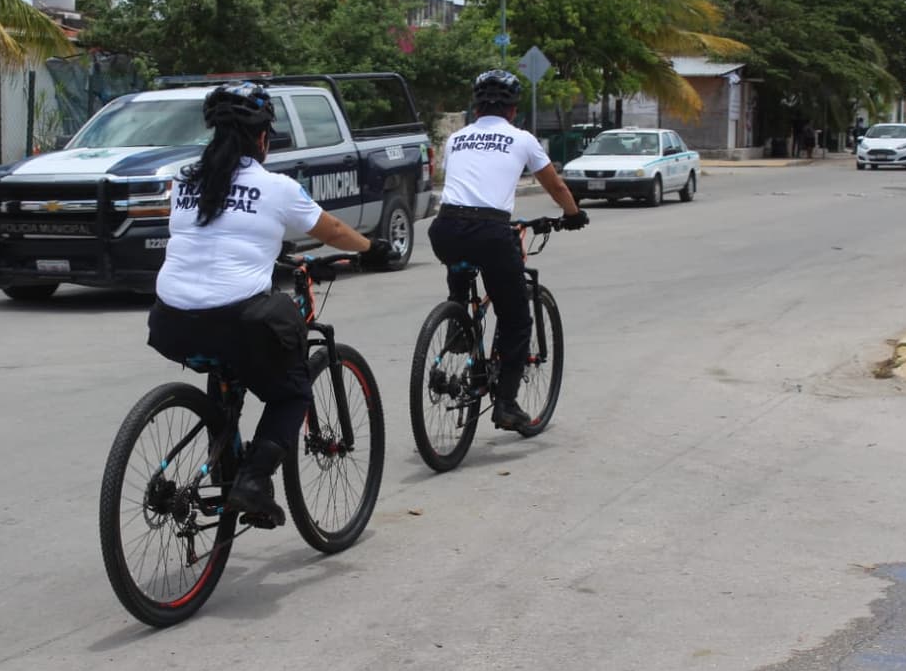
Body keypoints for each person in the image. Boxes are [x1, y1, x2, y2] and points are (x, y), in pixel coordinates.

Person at [147, 81, 393, 526]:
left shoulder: (183, 179)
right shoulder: (275, 187)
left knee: (227, 358)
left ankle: (224, 458)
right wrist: (371, 248)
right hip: (234, 320)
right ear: (263, 137)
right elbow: (332, 229)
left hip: (169, 322)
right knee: (292, 390)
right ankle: (254, 481)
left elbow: (213, 237)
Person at [427, 69, 588, 431]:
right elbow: (557, 187)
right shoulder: (522, 139)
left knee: (462, 262)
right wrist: (573, 215)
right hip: (490, 231)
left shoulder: (456, 139)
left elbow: (468, 184)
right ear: (513, 111)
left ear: (476, 107)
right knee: (516, 318)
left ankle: (458, 321)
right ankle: (506, 404)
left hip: (445, 228)